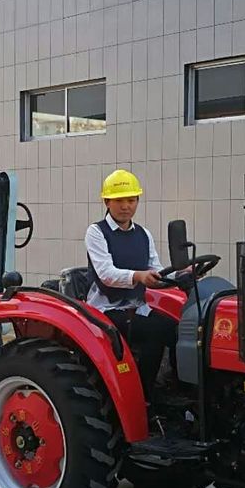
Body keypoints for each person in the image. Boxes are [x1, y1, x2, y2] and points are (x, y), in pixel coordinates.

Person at [85, 169, 178, 402]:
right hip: (105, 310)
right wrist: (138, 276)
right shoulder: (96, 232)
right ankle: (143, 397)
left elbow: (155, 269)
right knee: (155, 331)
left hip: (137, 307)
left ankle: (176, 387)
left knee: (179, 328)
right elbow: (106, 274)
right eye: (119, 200)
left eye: (131, 200)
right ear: (107, 202)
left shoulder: (144, 234)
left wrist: (180, 275)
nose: (126, 206)